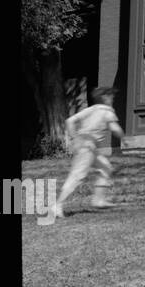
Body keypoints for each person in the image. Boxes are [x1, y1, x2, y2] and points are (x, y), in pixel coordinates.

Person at [38, 87, 123, 226]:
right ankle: (57, 205)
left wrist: (75, 138)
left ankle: (98, 200)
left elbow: (69, 121)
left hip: (87, 146)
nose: (112, 98)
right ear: (106, 97)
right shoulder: (107, 112)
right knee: (77, 176)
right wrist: (124, 138)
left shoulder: (91, 110)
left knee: (105, 167)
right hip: (88, 147)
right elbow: (115, 129)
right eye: (111, 96)